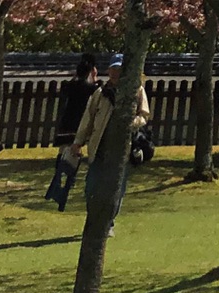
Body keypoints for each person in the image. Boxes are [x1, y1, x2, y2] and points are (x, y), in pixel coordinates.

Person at [74, 59, 149, 229]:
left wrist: (131, 123)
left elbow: (144, 116)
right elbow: (88, 119)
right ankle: (93, 219)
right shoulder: (100, 93)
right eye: (113, 69)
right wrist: (78, 142)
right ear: (108, 71)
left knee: (116, 189)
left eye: (119, 69)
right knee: (91, 186)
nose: (115, 73)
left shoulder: (136, 91)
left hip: (122, 148)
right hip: (99, 147)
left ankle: (109, 222)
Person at [46, 53, 99, 211]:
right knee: (73, 157)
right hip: (78, 126)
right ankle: (64, 185)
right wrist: (94, 78)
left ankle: (57, 182)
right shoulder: (91, 88)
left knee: (63, 154)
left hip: (66, 123)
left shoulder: (69, 86)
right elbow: (96, 90)